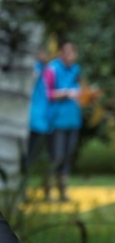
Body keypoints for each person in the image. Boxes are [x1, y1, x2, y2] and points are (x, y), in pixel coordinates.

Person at [44, 41, 83, 202]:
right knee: (56, 156)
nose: (70, 56)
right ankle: (47, 191)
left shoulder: (76, 69)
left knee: (67, 157)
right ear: (60, 53)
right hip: (56, 121)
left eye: (72, 53)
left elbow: (80, 91)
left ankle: (62, 192)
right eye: (66, 52)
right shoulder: (52, 69)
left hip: (73, 120)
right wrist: (67, 93)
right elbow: (47, 93)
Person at [24, 50, 53, 199]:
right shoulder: (34, 69)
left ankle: (45, 192)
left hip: (43, 121)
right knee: (30, 158)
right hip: (34, 121)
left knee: (42, 158)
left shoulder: (43, 70)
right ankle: (23, 192)